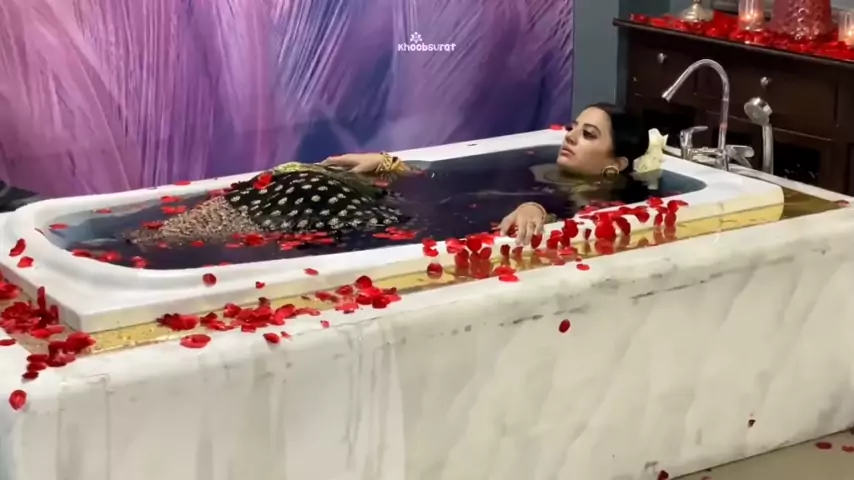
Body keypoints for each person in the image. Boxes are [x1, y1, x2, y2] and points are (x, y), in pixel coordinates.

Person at [124, 103, 664, 246]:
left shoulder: (602, 198)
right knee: (297, 175)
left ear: (615, 164)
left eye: (587, 135)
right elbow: (454, 180)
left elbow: (579, 217)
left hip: (403, 224)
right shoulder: (538, 164)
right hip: (403, 210)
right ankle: (158, 236)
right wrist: (385, 164)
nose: (570, 136)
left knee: (306, 187)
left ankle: (156, 240)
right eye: (573, 127)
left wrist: (536, 207)